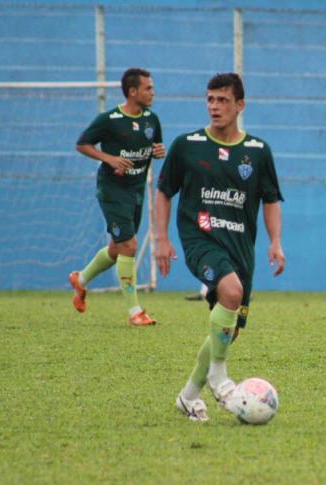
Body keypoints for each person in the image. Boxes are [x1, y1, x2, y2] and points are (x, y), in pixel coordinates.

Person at [155, 73, 285, 422]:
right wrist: (161, 239)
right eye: (210, 99)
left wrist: (275, 241)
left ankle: (188, 397)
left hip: (240, 245)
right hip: (201, 239)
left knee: (228, 330)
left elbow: (271, 200)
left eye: (223, 100)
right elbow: (164, 191)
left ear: (240, 105)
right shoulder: (188, 145)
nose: (215, 106)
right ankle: (220, 378)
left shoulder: (257, 151)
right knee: (230, 291)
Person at [69, 67, 166, 326]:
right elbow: (82, 144)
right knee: (130, 246)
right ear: (132, 91)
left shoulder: (151, 120)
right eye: (148, 88)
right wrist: (109, 158)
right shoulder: (109, 119)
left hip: (135, 191)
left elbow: (154, 147)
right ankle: (135, 312)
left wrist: (158, 151)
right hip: (112, 190)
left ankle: (80, 280)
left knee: (117, 248)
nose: (153, 92)